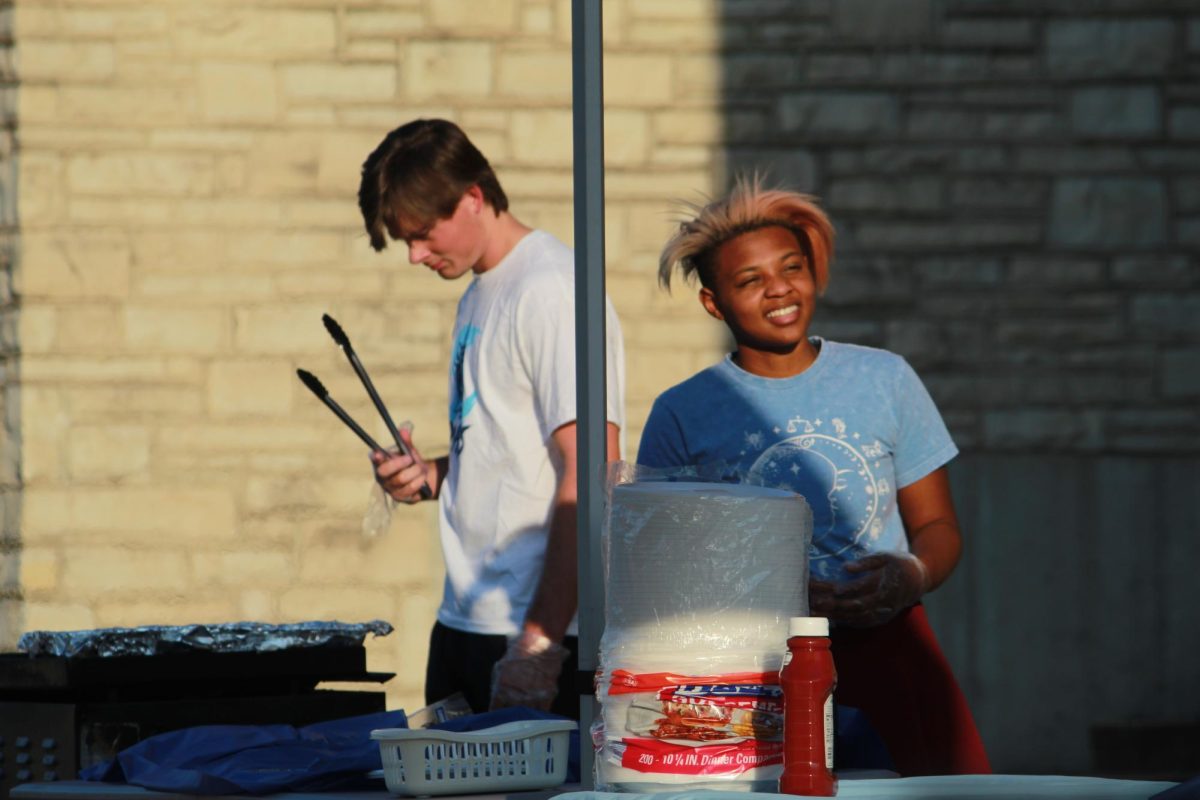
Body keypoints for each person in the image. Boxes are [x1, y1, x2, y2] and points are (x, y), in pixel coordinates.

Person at [636, 176, 990, 776]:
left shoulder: (886, 378)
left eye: (791, 267)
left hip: (891, 653)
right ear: (714, 302)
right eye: (750, 280)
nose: (779, 289)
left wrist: (911, 574)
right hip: (751, 674)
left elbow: (937, 525)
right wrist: (772, 596)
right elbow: (657, 566)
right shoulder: (681, 411)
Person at [357, 118, 625, 719]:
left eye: (423, 235)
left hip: (530, 631)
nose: (414, 256)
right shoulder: (481, 290)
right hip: (463, 619)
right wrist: (430, 474)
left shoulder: (551, 288)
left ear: (473, 197)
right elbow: (509, 455)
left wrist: (540, 642)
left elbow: (594, 472)